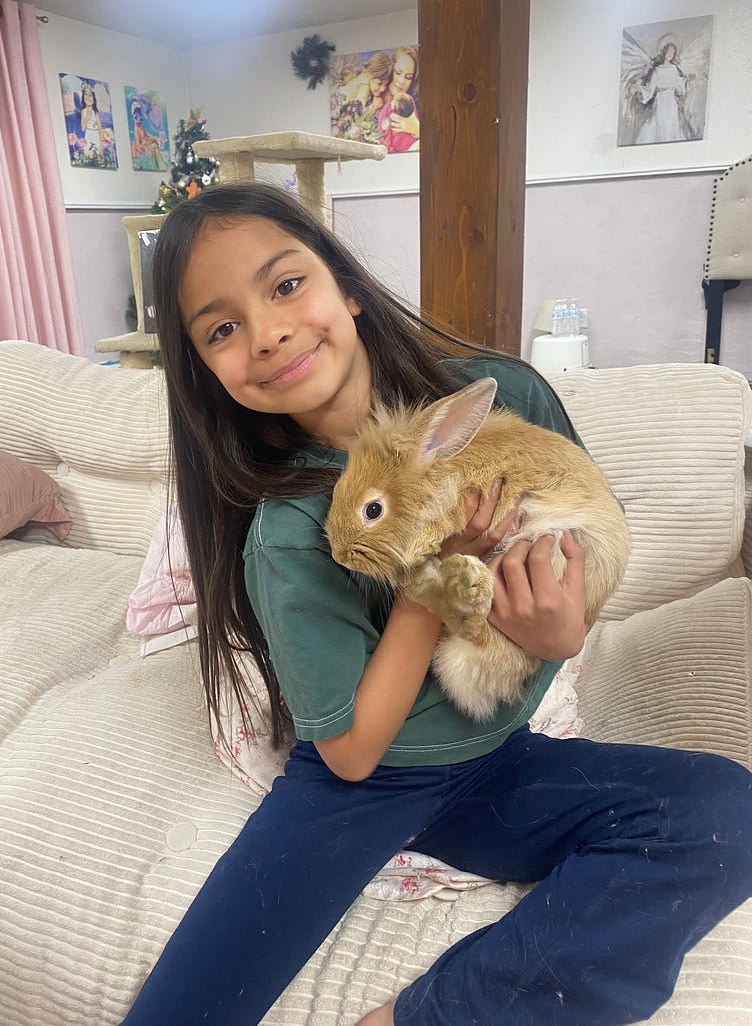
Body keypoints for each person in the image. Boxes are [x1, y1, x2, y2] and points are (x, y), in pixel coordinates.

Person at [121, 181, 752, 1026]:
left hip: (496, 758)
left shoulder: (505, 399)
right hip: (363, 783)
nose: (266, 332)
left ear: (346, 286)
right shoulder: (289, 531)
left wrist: (563, 632)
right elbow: (352, 753)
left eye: (286, 285)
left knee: (723, 811)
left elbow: (585, 550)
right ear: (205, 371)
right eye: (221, 329)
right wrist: (433, 585)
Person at [631, 41, 693, 144]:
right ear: (665, 52)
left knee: (670, 126)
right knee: (658, 124)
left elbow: (680, 89)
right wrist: (640, 89)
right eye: (669, 51)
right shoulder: (657, 70)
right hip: (660, 102)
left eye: (672, 53)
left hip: (671, 103)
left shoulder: (674, 69)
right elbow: (650, 90)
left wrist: (686, 81)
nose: (670, 54)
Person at [376, 45, 420, 148]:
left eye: (408, 77)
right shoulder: (375, 94)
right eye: (398, 72)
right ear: (391, 69)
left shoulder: (412, 104)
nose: (401, 81)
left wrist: (417, 129)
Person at [80, 83, 105, 158]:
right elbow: (83, 128)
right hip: (88, 135)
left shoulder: (95, 112)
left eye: (90, 95)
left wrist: (101, 145)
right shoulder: (83, 111)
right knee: (88, 154)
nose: (88, 97)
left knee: (96, 154)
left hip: (96, 135)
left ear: (94, 99)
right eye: (85, 94)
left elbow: (100, 128)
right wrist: (87, 117)